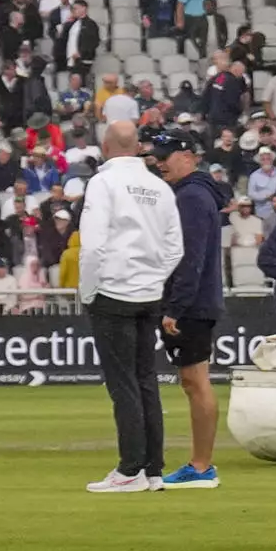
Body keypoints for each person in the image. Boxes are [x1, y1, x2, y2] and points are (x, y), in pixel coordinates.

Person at [80, 124, 184, 493]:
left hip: (113, 294)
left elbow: (91, 247)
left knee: (122, 383)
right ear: (137, 147)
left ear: (106, 147)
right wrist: (152, 279)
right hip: (149, 295)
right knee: (145, 381)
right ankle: (153, 469)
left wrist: (88, 291)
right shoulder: (159, 186)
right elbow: (175, 249)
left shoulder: (103, 183)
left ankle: (130, 469)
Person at [151, 130, 232, 490]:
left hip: (193, 303)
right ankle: (201, 464)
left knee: (195, 382)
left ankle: (201, 466)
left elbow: (189, 257)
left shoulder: (191, 197)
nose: (160, 162)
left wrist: (175, 306)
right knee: (194, 381)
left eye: (167, 155)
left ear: (188, 156)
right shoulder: (197, 194)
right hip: (198, 300)